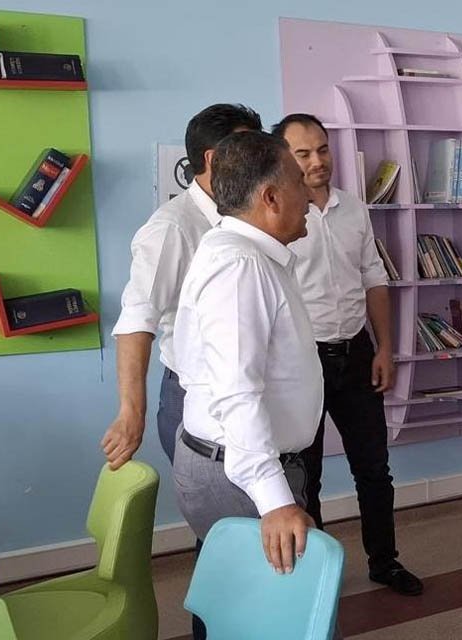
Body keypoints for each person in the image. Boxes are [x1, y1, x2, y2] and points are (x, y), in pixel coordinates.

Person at [170, 130, 322, 639]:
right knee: (278, 623)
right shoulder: (240, 265)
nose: (311, 193)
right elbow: (237, 393)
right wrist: (275, 500)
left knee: (257, 618)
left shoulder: (246, 255)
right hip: (238, 472)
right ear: (271, 197)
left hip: (233, 464)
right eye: (299, 180)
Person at [272, 113, 422, 596]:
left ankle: (385, 561)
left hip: (357, 352)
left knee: (374, 469)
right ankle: (314, 578)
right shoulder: (277, 215)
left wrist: (385, 348)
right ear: (283, 159)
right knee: (306, 477)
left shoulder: (353, 208)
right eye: (303, 153)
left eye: (322, 149)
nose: (317, 161)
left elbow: (373, 277)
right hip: (303, 360)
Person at [102, 104, 263, 469]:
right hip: (192, 391)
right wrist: (131, 413)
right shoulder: (173, 227)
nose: (259, 159)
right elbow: (136, 320)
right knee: (214, 498)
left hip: (244, 387)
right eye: (247, 149)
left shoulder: (248, 215)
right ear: (212, 158)